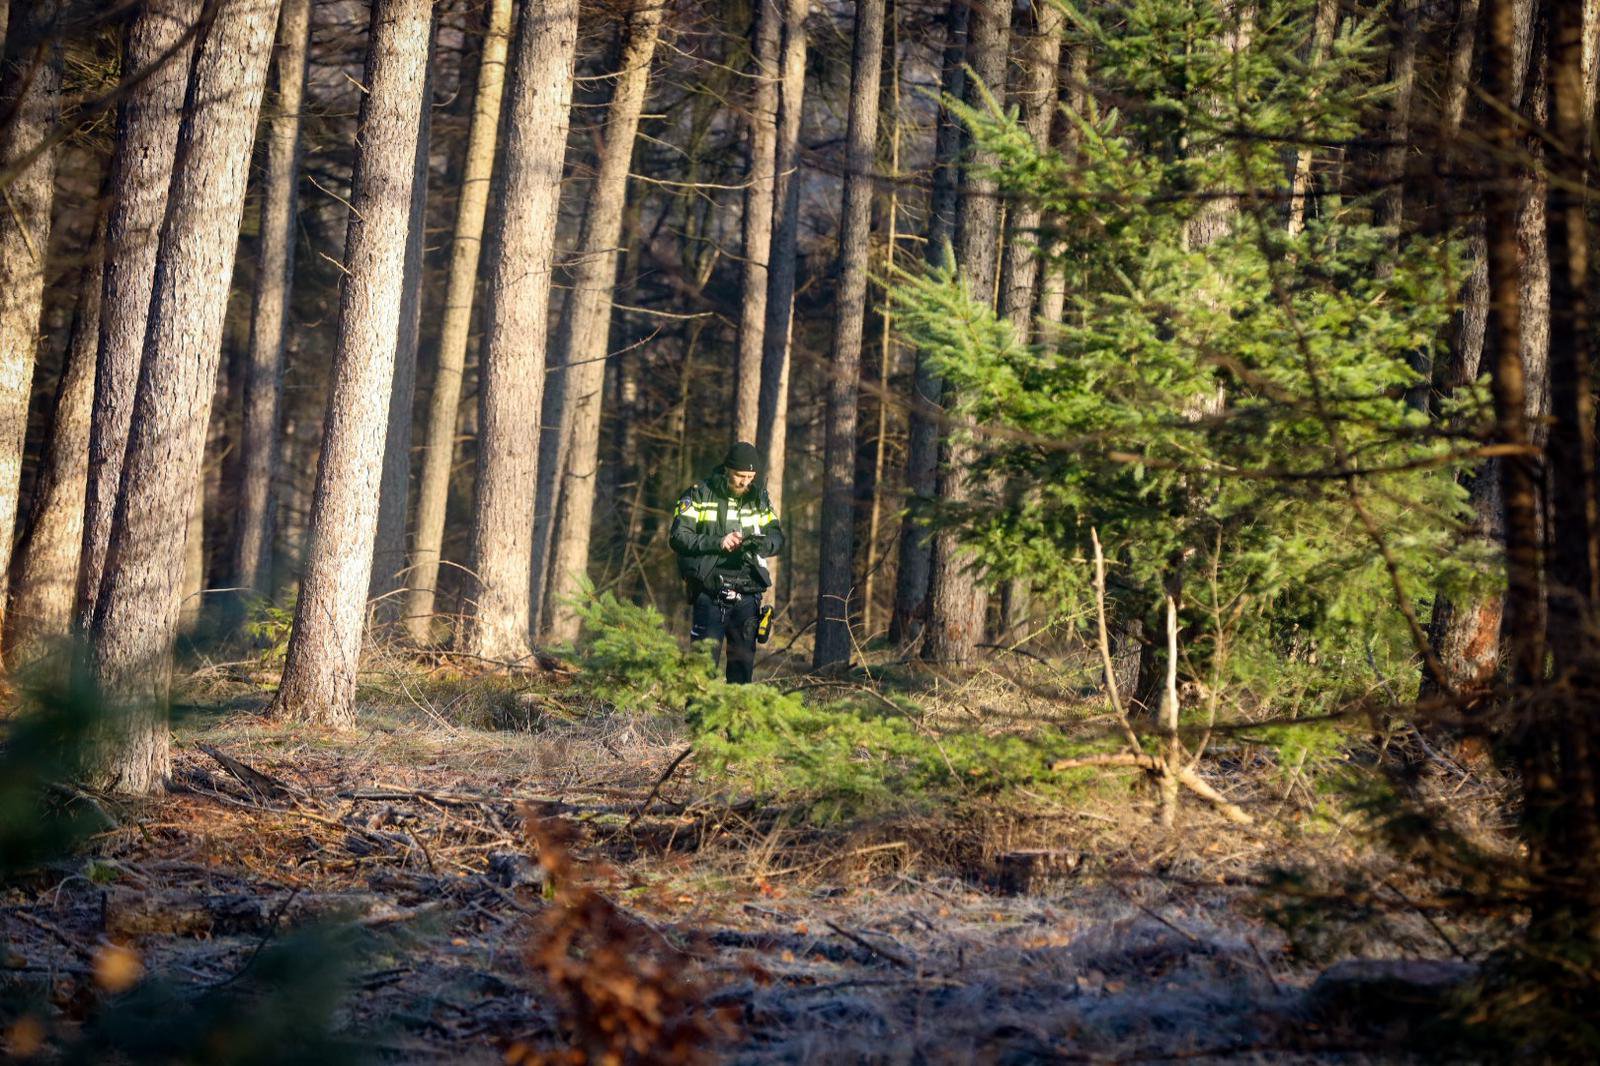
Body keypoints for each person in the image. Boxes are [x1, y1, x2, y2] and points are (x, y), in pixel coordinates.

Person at [669, 441, 783, 683]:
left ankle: (737, 720)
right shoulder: (698, 494)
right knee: (701, 669)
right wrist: (718, 542)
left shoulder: (760, 498)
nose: (745, 482)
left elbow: (777, 537)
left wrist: (761, 544)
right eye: (740, 475)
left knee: (742, 671)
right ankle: (697, 720)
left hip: (749, 593)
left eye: (750, 476)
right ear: (727, 469)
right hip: (709, 592)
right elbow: (678, 537)